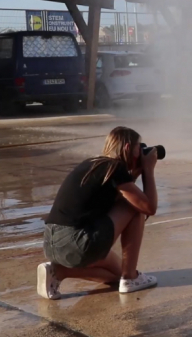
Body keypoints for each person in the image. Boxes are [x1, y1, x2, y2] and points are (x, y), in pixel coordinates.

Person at [37, 127, 159, 300]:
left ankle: (58, 271)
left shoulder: (94, 164)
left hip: (52, 243)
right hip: (78, 242)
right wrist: (148, 170)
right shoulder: (115, 167)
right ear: (126, 148)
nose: (141, 152)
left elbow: (116, 198)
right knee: (136, 208)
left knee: (117, 276)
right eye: (139, 148)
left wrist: (134, 173)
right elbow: (149, 207)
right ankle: (131, 277)